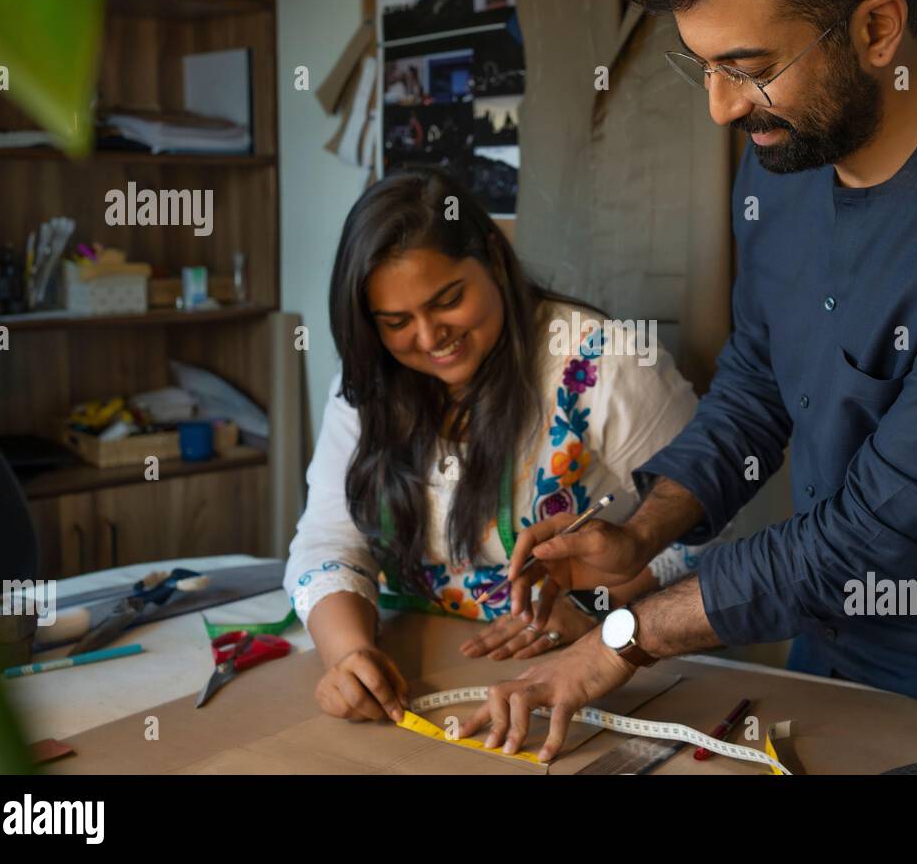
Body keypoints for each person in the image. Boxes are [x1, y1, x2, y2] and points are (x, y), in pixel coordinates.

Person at [462, 0, 917, 762]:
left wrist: (623, 634)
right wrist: (643, 531)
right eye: (701, 68)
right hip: (824, 663)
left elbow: (875, 535)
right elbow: (757, 386)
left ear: (878, 27)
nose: (722, 108)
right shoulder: (783, 158)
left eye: (749, 69)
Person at [283, 166, 708, 723]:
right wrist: (348, 655)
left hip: (593, 664)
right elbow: (328, 537)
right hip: (431, 661)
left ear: (492, 257)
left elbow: (708, 541)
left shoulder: (611, 364)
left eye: (447, 300)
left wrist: (590, 605)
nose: (430, 337)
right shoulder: (371, 382)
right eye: (396, 321)